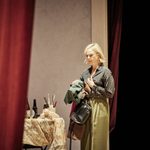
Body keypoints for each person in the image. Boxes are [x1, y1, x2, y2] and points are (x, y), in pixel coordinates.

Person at [78, 43, 115, 150]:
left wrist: (94, 86)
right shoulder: (85, 73)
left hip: (100, 107)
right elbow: (81, 90)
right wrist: (81, 90)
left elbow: (110, 93)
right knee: (86, 138)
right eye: (86, 56)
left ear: (98, 56)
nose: (88, 58)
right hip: (86, 108)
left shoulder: (105, 72)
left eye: (90, 55)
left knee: (97, 138)